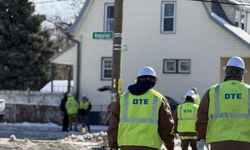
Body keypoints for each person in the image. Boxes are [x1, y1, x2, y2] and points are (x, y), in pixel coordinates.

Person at [107, 66, 175, 150]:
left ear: (138, 79)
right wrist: (170, 146)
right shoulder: (159, 99)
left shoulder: (123, 98)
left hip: (126, 146)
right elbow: (166, 127)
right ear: (154, 81)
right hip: (150, 146)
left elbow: (113, 125)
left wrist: (113, 145)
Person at [196, 56, 250, 150]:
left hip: (218, 142)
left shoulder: (213, 91)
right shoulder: (248, 91)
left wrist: (200, 137)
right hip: (244, 143)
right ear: (242, 73)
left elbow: (202, 117)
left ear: (227, 71)